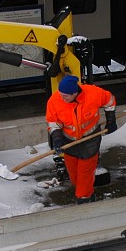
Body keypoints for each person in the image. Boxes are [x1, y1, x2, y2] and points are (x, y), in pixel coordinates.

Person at [46, 75, 116, 204]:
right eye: (61, 94)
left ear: (75, 93)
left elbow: (110, 101)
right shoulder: (54, 101)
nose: (62, 98)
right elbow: (53, 122)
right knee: (75, 178)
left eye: (66, 96)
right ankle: (87, 193)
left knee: (84, 177)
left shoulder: (93, 94)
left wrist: (111, 120)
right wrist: (57, 139)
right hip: (69, 143)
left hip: (90, 142)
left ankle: (85, 201)